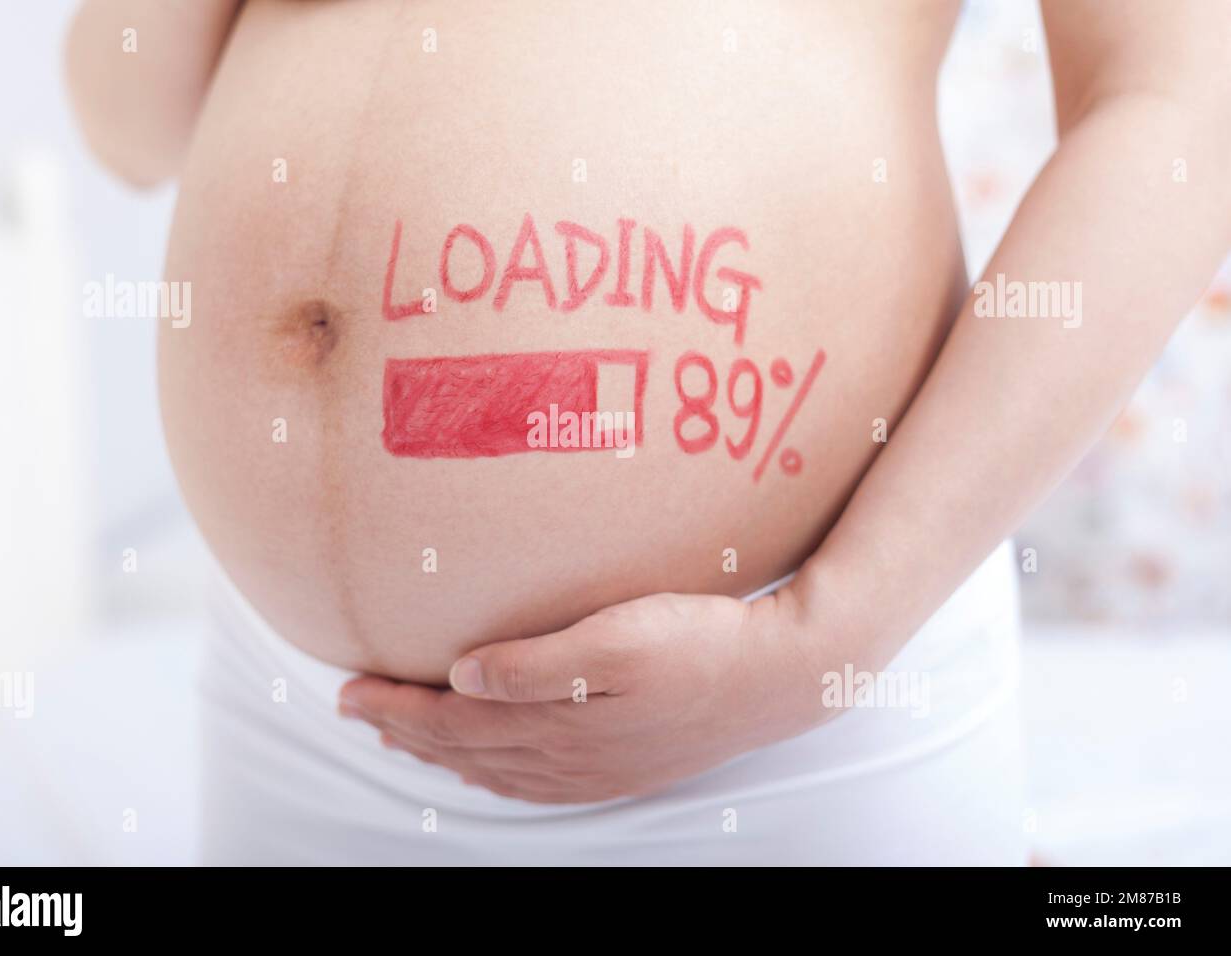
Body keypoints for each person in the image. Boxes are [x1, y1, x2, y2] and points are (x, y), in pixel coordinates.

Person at [66, 0, 1231, 864]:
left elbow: (1178, 102)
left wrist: (830, 636)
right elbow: (131, 132)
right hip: (306, 713)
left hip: (777, 702)